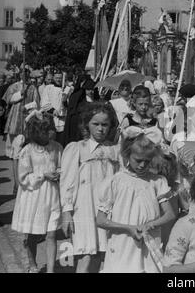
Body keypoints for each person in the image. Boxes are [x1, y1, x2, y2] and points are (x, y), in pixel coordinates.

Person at [96, 126, 176, 273]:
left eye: (147, 161)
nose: (142, 165)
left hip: (149, 241)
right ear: (127, 155)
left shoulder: (157, 181)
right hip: (123, 243)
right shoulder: (116, 181)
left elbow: (170, 214)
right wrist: (128, 228)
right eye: (138, 160)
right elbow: (101, 220)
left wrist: (151, 225)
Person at [60, 102, 121, 273]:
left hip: (108, 208)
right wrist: (67, 211)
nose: (100, 129)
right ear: (87, 124)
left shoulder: (115, 151)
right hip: (84, 208)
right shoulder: (77, 148)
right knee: (85, 255)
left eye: (105, 124)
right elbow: (67, 182)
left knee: (104, 253)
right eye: (96, 124)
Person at [11, 111, 62, 273]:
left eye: (50, 130)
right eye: (45, 131)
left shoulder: (57, 147)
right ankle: (33, 266)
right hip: (34, 197)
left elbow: (61, 165)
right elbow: (23, 178)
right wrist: (43, 175)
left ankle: (51, 270)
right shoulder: (28, 150)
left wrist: (59, 173)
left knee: (52, 234)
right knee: (32, 235)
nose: (49, 133)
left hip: (52, 195)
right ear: (35, 132)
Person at [62, 77, 96, 146]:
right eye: (88, 89)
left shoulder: (95, 98)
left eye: (92, 89)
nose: (91, 92)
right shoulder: (78, 99)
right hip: (78, 128)